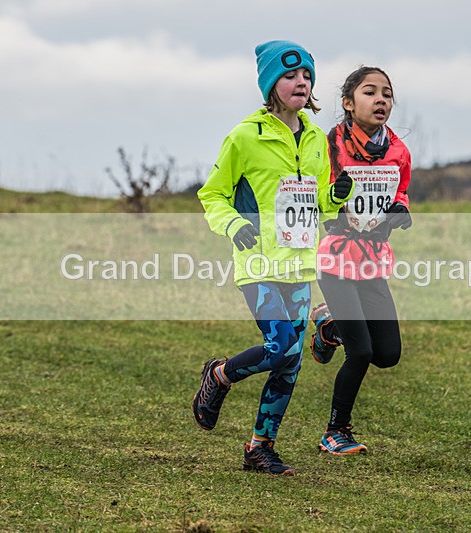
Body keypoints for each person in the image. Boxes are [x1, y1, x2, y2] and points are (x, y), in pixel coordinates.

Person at [193, 40, 354, 475]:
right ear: (269, 85)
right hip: (258, 262)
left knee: (290, 361)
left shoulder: (317, 139)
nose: (301, 82)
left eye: (306, 76)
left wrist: (336, 196)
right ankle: (220, 374)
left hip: (298, 265)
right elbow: (213, 195)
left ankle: (259, 449)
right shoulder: (245, 136)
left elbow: (320, 204)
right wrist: (233, 225)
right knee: (281, 345)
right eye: (289, 76)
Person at [310, 66, 412, 455]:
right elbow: (315, 196)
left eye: (387, 93)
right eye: (370, 92)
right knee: (362, 352)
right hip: (335, 259)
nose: (381, 99)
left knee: (387, 355)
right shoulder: (329, 145)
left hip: (372, 262)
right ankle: (335, 432)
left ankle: (329, 328)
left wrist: (401, 210)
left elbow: (400, 190)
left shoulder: (399, 151)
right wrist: (333, 201)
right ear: (348, 103)